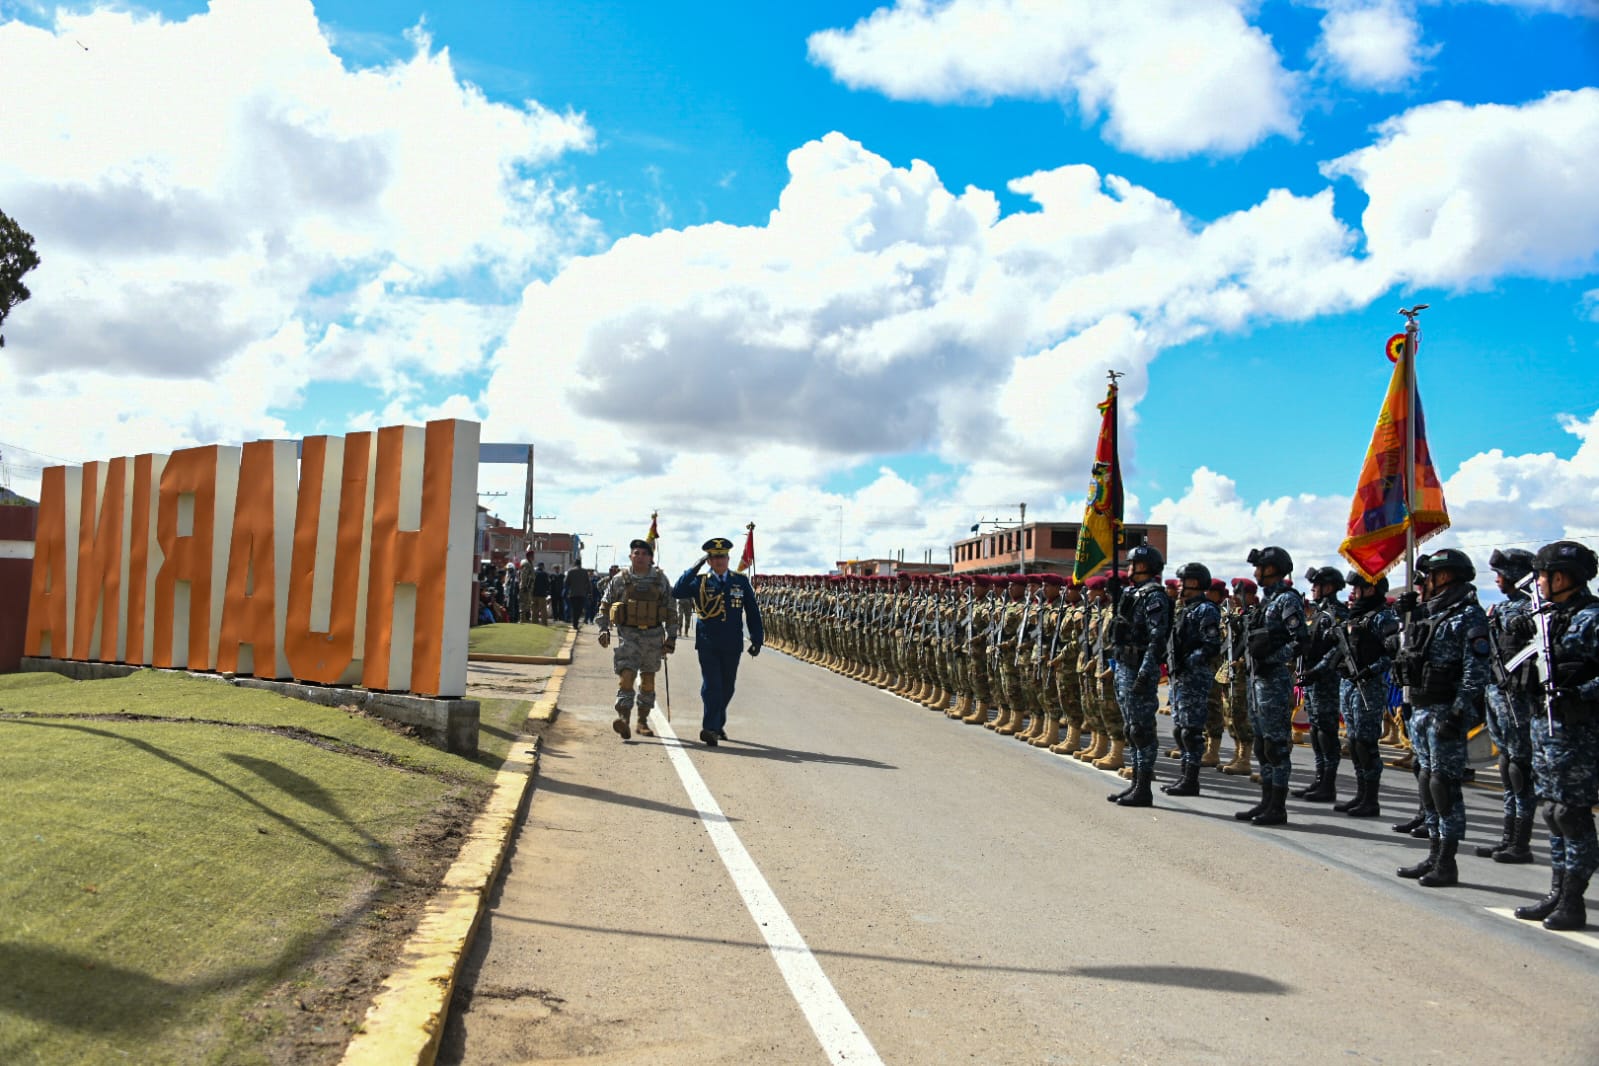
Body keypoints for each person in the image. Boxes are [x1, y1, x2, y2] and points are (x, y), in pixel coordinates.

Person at [1391, 548, 1491, 888]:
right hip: (1422, 707)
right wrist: (1409, 616)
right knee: (1426, 781)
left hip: (1446, 711)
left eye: (1430, 576)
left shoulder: (1469, 616)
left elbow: (1475, 671)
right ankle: (1433, 855)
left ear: (1444, 577)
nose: (1425, 583)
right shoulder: (1429, 614)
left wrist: (1460, 712)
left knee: (1443, 786)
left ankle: (1447, 862)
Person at [1513, 540, 1599, 930]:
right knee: (1550, 810)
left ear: (1561, 578)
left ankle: (1573, 901)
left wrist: (1578, 693)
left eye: (1544, 576)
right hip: (1546, 730)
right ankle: (1556, 892)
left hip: (1579, 733)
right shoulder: (1548, 617)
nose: (1540, 583)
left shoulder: (1593, 618)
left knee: (1571, 814)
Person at [1236, 545, 1305, 827]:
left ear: (1273, 569)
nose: (1256, 573)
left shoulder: (1287, 600)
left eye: (1260, 568)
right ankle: (1265, 801)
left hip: (1274, 680)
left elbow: (1299, 641)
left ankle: (1278, 806)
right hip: (1257, 680)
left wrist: (1272, 660)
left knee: (1276, 746)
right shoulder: (1267, 602)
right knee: (1262, 744)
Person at [675, 537, 764, 747]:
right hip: (708, 643)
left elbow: (752, 611)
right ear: (709, 560)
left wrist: (757, 638)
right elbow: (677, 591)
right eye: (714, 558)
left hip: (732, 643)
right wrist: (695, 566)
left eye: (722, 556)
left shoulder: (740, 581)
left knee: (727, 687)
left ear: (728, 558)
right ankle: (710, 729)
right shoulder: (700, 581)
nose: (719, 561)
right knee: (712, 686)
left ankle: (717, 722)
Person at [1107, 542, 1172, 808]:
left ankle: (1144, 788)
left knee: (1141, 729)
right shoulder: (1134, 593)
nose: (1129, 567)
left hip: (1138, 668)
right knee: (1130, 729)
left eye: (1133, 563)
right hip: (1125, 666)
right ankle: (1135, 783)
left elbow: (1158, 638)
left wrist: (1146, 672)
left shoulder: (1154, 595)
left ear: (1143, 566)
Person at [596, 540, 678, 740]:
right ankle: (623, 719)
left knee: (648, 682)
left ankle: (642, 721)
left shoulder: (661, 581)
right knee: (626, 677)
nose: (640, 556)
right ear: (630, 556)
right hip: (628, 636)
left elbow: (671, 610)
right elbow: (605, 606)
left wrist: (672, 637)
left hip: (653, 637)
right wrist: (604, 629)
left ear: (651, 557)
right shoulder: (619, 580)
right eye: (636, 553)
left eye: (644, 553)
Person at [1163, 562, 1220, 796]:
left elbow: (1211, 645)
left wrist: (1188, 662)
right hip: (1181, 676)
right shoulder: (1185, 608)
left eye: (1182, 581)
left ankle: (1191, 780)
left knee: (1191, 731)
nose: (1178, 585)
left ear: (1194, 583)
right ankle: (1184, 776)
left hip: (1194, 677)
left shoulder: (1206, 610)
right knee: (1180, 729)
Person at [1296, 567, 1350, 803]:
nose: (1313, 590)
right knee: (1316, 732)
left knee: (1327, 733)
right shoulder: (1318, 613)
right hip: (1312, 680)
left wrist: (1316, 672)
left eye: (1316, 585)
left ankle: (1328, 783)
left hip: (1326, 680)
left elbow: (1338, 649)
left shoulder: (1337, 614)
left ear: (1328, 588)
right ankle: (1319, 780)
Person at [564, 565, 592, 632]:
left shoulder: (570, 571)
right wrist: (589, 592)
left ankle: (575, 623)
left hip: (573, 594)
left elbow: (566, 582)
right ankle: (575, 623)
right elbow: (588, 583)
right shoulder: (584, 572)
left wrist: (568, 589)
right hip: (582, 594)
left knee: (574, 609)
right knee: (579, 609)